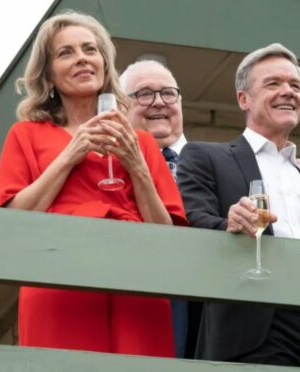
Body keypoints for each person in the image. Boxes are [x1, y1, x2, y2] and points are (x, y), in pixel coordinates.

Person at [177, 43, 300, 370]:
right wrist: (228, 224)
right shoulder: (205, 157)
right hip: (257, 326)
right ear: (244, 99)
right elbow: (191, 222)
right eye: (273, 84)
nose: (287, 92)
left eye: (295, 86)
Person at [0, 11, 187, 356]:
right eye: (65, 52)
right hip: (58, 282)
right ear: (49, 75)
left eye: (90, 49)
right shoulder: (25, 135)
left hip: (137, 285)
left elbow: (168, 238)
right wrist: (71, 154)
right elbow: (14, 222)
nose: (82, 58)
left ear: (104, 63)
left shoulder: (140, 142)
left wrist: (137, 167)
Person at [120, 59, 199, 358]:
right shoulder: (107, 168)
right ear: (120, 106)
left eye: (168, 93)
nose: (158, 103)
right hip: (140, 301)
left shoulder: (221, 162)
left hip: (210, 307)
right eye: (144, 94)